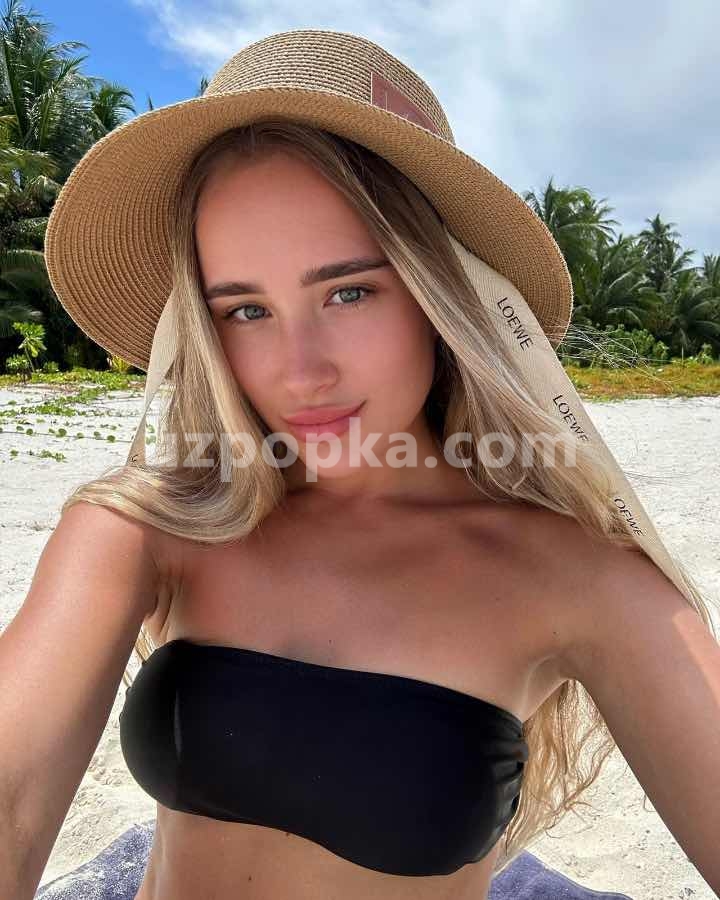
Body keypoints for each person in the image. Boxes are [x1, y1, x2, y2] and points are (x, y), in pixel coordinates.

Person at [4, 27, 719, 900]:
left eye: (348, 292)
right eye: (245, 310)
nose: (301, 372)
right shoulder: (148, 528)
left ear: (438, 293)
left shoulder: (577, 572)